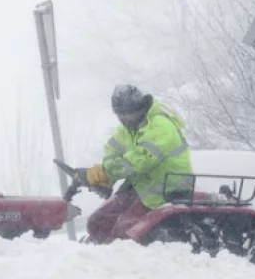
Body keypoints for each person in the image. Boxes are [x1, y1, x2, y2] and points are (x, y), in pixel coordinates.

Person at [72, 84, 193, 244]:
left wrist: (102, 173)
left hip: (167, 192)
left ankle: (117, 257)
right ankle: (97, 252)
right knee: (98, 223)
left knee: (122, 230)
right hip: (141, 189)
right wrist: (107, 179)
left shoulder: (161, 125)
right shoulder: (128, 128)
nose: (122, 119)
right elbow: (112, 151)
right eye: (119, 115)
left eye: (126, 114)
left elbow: (139, 160)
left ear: (138, 108)